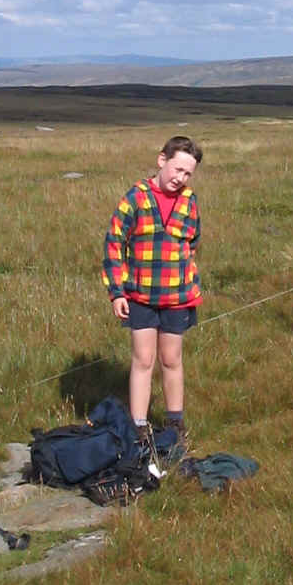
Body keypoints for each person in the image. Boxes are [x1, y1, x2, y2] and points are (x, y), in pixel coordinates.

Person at [102, 135, 203, 454]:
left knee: (171, 359)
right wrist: (117, 292)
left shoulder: (189, 202)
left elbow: (193, 241)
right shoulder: (135, 198)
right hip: (140, 297)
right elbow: (114, 244)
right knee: (143, 359)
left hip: (178, 298)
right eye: (177, 169)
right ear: (162, 160)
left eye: (188, 173)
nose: (180, 178)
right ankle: (139, 426)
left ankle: (175, 425)